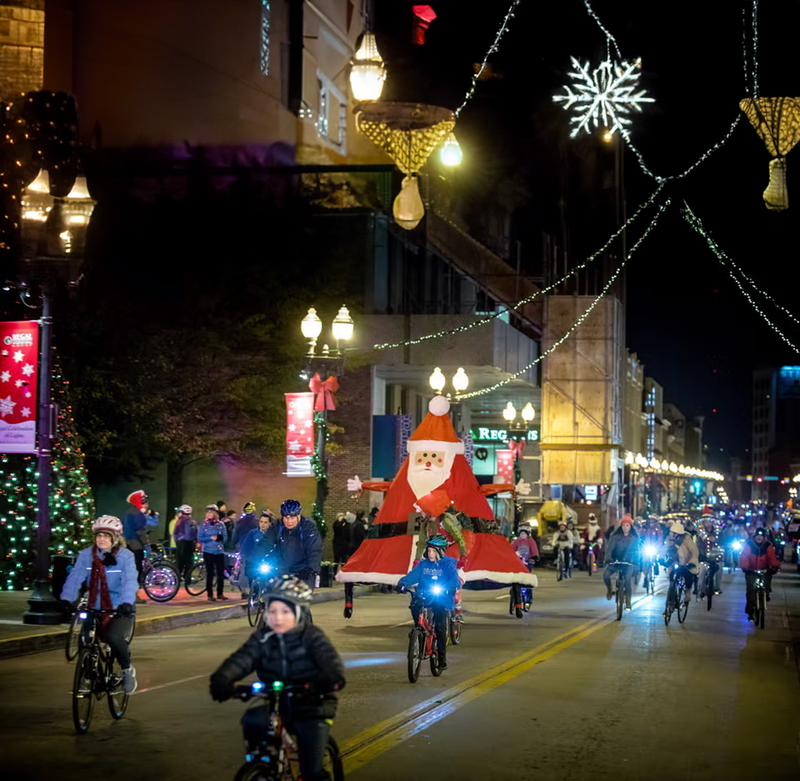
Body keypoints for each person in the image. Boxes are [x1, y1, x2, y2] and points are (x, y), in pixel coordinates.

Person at [209, 576, 345, 781]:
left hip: (312, 704)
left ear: (299, 613)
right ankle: (264, 765)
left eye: (285, 612)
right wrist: (222, 679)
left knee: (311, 770)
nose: (278, 618)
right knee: (253, 720)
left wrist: (326, 681)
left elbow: (331, 664)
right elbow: (242, 659)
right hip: (277, 700)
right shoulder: (263, 637)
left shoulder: (312, 637)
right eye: (272, 611)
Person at [60, 516, 138, 694]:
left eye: (106, 535)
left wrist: (126, 602)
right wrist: (66, 599)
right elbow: (75, 578)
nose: (101, 539)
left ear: (115, 538)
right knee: (84, 640)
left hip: (119, 607)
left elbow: (130, 582)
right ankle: (87, 677)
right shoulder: (86, 555)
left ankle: (127, 670)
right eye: (98, 535)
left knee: (114, 638)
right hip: (94, 606)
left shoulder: (126, 557)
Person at [397, 535, 460, 670]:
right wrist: (403, 583)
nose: (431, 554)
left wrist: (451, 588)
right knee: (414, 605)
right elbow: (412, 576)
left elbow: (455, 580)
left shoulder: (448, 564)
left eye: (434, 551)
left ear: (441, 551)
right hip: (424, 594)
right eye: (429, 551)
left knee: (440, 626)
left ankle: (442, 658)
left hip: (441, 597)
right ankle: (418, 630)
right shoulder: (423, 564)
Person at [260, 500, 323, 588]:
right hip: (282, 568)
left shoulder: (308, 529)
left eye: (292, 518)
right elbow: (265, 544)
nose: (289, 521)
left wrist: (311, 569)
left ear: (299, 516)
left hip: (302, 569)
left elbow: (314, 550)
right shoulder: (277, 527)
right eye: (286, 518)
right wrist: (253, 560)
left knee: (300, 596)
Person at [739, 527, 781, 621]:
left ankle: (766, 593)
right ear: (755, 536)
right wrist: (745, 568)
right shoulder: (749, 544)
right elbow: (744, 556)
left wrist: (774, 566)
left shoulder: (768, 545)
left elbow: (772, 557)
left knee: (767, 581)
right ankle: (750, 611)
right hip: (751, 570)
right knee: (751, 590)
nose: (759, 537)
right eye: (758, 535)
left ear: (764, 537)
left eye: (761, 536)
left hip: (764, 570)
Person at [603, 514, 641, 609]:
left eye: (627, 526)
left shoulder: (634, 538)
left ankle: (628, 602)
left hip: (628, 563)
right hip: (615, 561)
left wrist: (636, 562)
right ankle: (609, 589)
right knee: (606, 575)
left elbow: (637, 552)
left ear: (630, 526)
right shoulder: (615, 536)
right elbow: (609, 549)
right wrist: (608, 558)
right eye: (623, 525)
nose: (625, 528)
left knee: (627, 580)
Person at [661, 522, 699, 611]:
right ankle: (669, 604)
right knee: (672, 582)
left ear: (677, 534)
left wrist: (692, 562)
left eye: (672, 532)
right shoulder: (669, 539)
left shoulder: (686, 539)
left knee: (688, 577)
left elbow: (694, 551)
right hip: (674, 562)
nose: (670, 534)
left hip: (686, 563)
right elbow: (664, 549)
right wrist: (661, 559)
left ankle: (687, 592)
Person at [198, 504, 229, 601]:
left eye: (211, 512)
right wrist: (210, 538)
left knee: (220, 573)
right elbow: (199, 537)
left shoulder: (221, 524)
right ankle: (210, 594)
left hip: (219, 551)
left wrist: (220, 539)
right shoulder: (203, 525)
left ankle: (220, 593)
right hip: (208, 551)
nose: (209, 514)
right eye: (208, 512)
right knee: (210, 573)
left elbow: (225, 537)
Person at [240, 513, 272, 599]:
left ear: (269, 523)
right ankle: (254, 592)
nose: (263, 524)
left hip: (268, 561)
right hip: (254, 560)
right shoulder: (253, 533)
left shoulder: (272, 534)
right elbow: (246, 546)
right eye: (261, 522)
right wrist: (245, 557)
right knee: (251, 575)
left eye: (265, 522)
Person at [122, 489, 150, 588]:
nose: (147, 506)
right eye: (145, 503)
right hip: (135, 544)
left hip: (127, 542)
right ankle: (135, 587)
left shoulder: (129, 512)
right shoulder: (138, 514)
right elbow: (140, 530)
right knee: (137, 566)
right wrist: (146, 544)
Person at [697, 511, 724, 596]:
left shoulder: (719, 532)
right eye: (706, 522)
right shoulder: (700, 534)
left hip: (716, 557)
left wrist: (716, 541)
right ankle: (701, 589)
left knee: (719, 568)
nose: (708, 524)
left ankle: (717, 587)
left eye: (709, 522)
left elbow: (724, 542)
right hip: (704, 558)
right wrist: (700, 555)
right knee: (702, 571)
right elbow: (698, 545)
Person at [173, 504, 197, 587]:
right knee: (189, 562)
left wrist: (177, 540)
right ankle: (188, 579)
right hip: (190, 544)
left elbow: (175, 533)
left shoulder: (180, 521)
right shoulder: (192, 522)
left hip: (182, 543)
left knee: (179, 562)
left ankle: (177, 578)